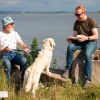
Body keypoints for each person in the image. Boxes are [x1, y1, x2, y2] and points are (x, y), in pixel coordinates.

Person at [63, 6, 98, 88]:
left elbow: (96, 36)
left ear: (84, 13)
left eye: (79, 14)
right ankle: (68, 70)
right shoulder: (76, 22)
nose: (77, 16)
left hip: (90, 42)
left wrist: (86, 38)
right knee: (70, 47)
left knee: (87, 55)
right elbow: (74, 35)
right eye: (76, 14)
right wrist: (70, 39)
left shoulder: (91, 21)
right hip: (79, 41)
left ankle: (88, 80)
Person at [0, 16, 30, 83]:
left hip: (14, 54)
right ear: (6, 25)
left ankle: (22, 80)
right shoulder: (0, 34)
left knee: (24, 60)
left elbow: (21, 43)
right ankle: (8, 83)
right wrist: (4, 50)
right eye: (12, 24)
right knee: (7, 64)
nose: (14, 25)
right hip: (3, 55)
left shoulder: (14, 33)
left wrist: (25, 48)